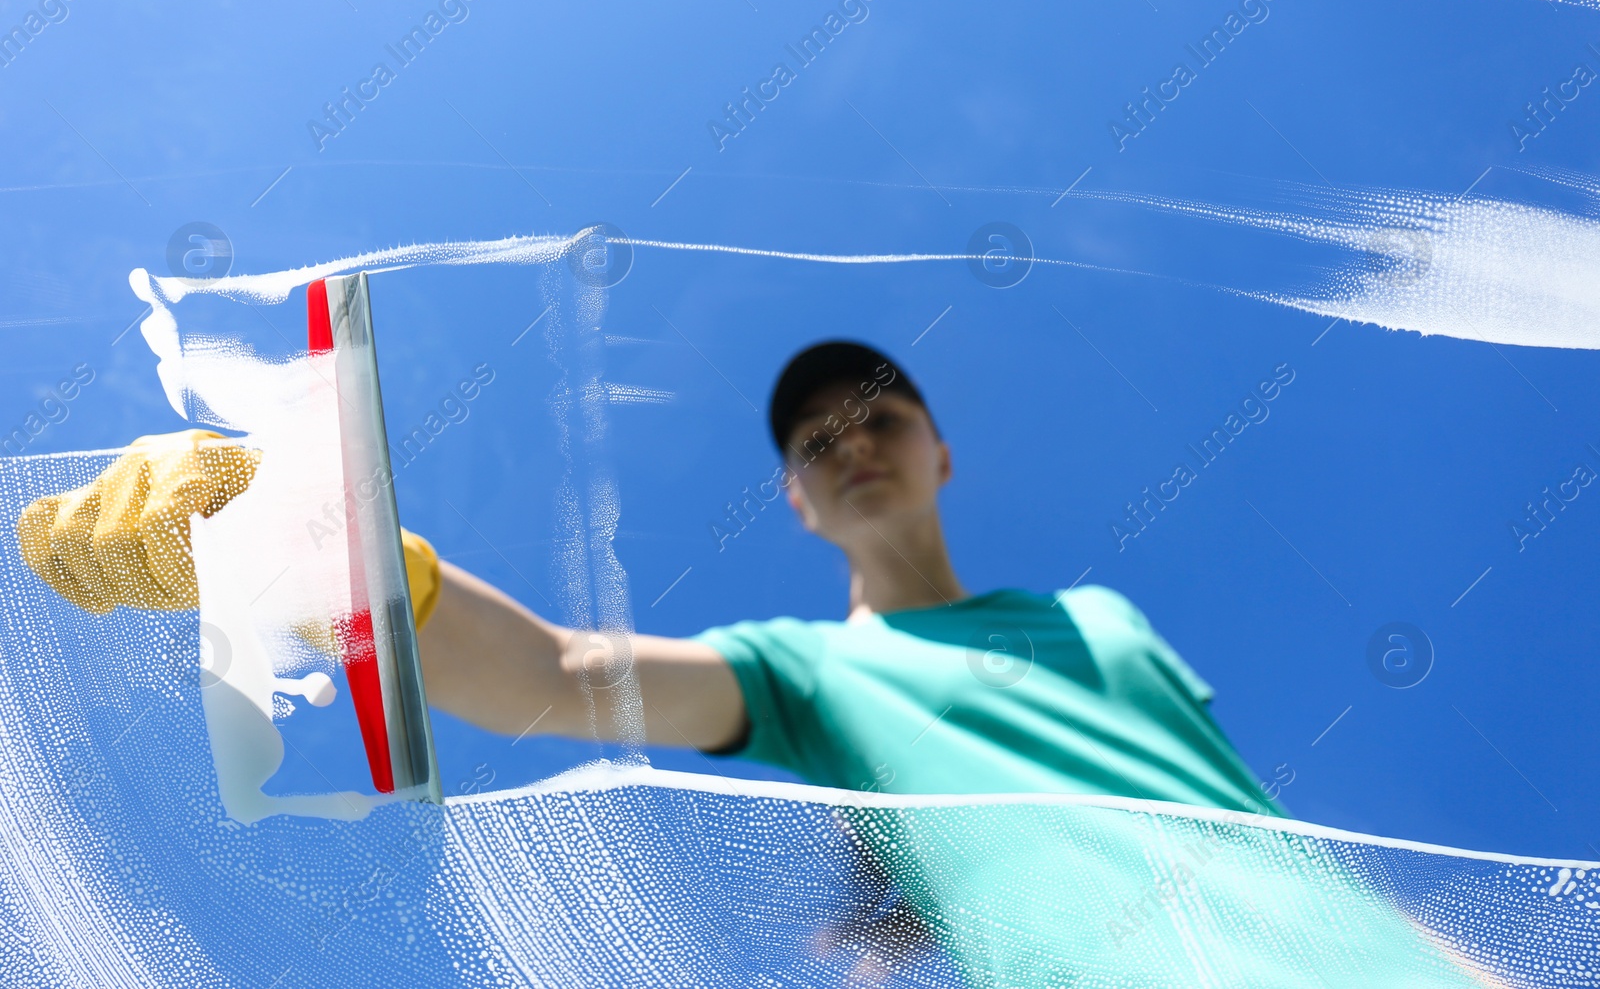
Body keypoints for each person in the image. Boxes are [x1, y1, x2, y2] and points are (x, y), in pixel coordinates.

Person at [15, 340, 1276, 816]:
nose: (850, 442)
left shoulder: (1106, 622)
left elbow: (1251, 825)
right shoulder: (811, 672)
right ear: (795, 494)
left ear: (940, 451)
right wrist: (314, 552)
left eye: (879, 417)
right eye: (814, 437)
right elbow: (554, 681)